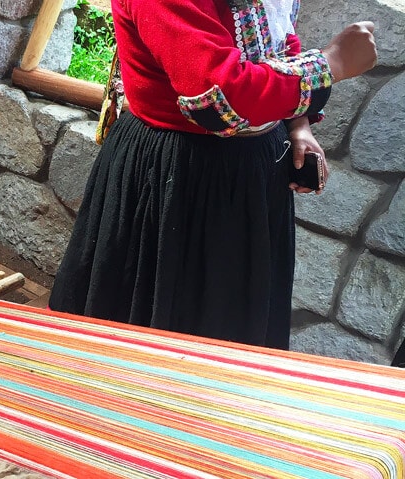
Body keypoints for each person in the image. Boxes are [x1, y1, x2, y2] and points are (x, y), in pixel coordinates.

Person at [48, 0, 377, 350]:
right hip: (175, 173)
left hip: (250, 173)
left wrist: (298, 125)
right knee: (152, 330)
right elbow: (217, 97)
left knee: (232, 321)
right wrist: (332, 63)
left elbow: (278, 44)